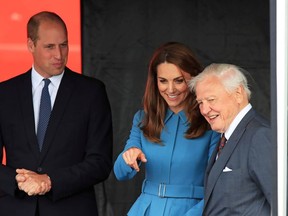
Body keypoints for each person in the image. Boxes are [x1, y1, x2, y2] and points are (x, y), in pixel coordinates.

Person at [0, 11, 113, 216]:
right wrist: (18, 180)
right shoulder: (4, 94)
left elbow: (100, 162)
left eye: (64, 45)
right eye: (49, 47)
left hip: (73, 209)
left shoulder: (92, 92)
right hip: (15, 208)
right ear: (30, 45)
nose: (59, 55)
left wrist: (50, 181)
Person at [113, 42, 220, 216]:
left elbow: (217, 186)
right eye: (163, 81)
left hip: (191, 211)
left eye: (179, 81)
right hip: (145, 209)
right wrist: (129, 156)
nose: (170, 89)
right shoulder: (143, 119)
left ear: (193, 79)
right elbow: (120, 174)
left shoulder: (210, 123)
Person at [189, 63, 273, 215]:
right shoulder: (225, 136)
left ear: (238, 94)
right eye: (200, 102)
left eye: (211, 100)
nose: (204, 110)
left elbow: (281, 203)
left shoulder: (260, 136)